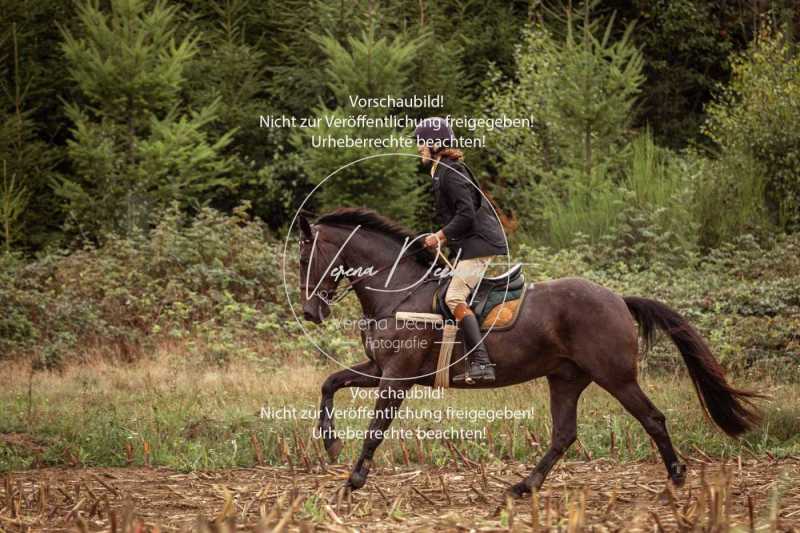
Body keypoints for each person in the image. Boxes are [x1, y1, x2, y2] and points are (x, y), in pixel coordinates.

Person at [414, 117, 508, 384]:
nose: (419, 148)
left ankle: (481, 363)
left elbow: (466, 214)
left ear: (433, 144)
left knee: (454, 298)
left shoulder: (450, 172)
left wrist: (441, 235)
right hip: (471, 243)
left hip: (479, 244)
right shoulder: (444, 170)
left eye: (421, 143)